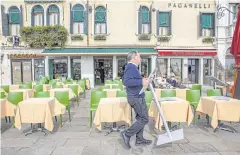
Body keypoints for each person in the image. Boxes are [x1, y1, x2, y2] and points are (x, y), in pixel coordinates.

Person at [120, 51, 152, 149]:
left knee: (140, 118)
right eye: (139, 56)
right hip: (136, 97)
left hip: (136, 96)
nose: (140, 58)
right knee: (144, 119)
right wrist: (141, 81)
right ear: (134, 58)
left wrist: (143, 81)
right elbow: (126, 81)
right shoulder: (131, 67)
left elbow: (127, 80)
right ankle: (126, 134)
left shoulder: (132, 67)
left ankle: (139, 139)